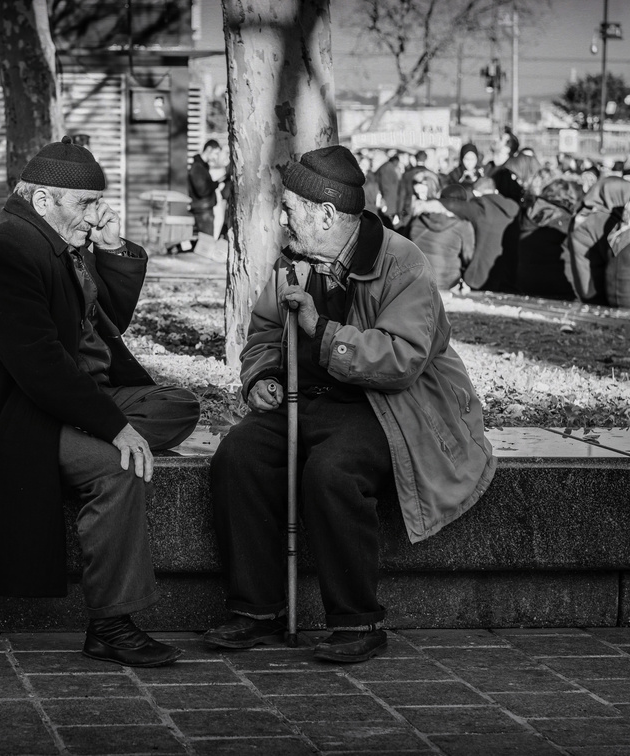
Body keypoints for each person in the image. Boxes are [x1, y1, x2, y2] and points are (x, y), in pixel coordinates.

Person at [204, 145, 496, 663]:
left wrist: (324, 331)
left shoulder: (402, 261)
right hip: (307, 397)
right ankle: (255, 609)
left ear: (325, 214)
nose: (282, 219)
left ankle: (357, 621)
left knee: (333, 472)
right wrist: (262, 377)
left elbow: (402, 359)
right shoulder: (294, 260)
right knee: (238, 456)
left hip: (388, 408)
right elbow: (264, 334)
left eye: (290, 209)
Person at [0, 136, 201, 668]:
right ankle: (112, 624)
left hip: (77, 394)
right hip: (16, 410)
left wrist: (111, 247)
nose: (95, 214)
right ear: (41, 199)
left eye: (97, 202)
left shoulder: (56, 237)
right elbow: (38, 365)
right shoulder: (3, 247)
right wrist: (113, 429)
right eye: (85, 204)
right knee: (118, 468)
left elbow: (107, 324)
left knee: (179, 404)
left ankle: (84, 432)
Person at [440, 176, 521, 292]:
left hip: (481, 276)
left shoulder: (481, 207)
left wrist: (427, 204)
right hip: (509, 274)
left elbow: (453, 206)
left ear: (476, 193)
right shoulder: (513, 209)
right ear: (495, 191)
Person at [405, 171, 476, 289]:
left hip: (415, 280)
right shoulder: (463, 225)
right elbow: (468, 256)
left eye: (422, 192)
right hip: (447, 281)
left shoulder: (417, 218)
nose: (420, 196)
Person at [188, 139, 221, 236]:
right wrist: (215, 184)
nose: (216, 157)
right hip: (203, 211)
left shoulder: (202, 167)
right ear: (209, 149)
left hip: (204, 210)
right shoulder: (197, 167)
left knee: (206, 243)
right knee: (206, 244)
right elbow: (202, 191)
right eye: (216, 153)